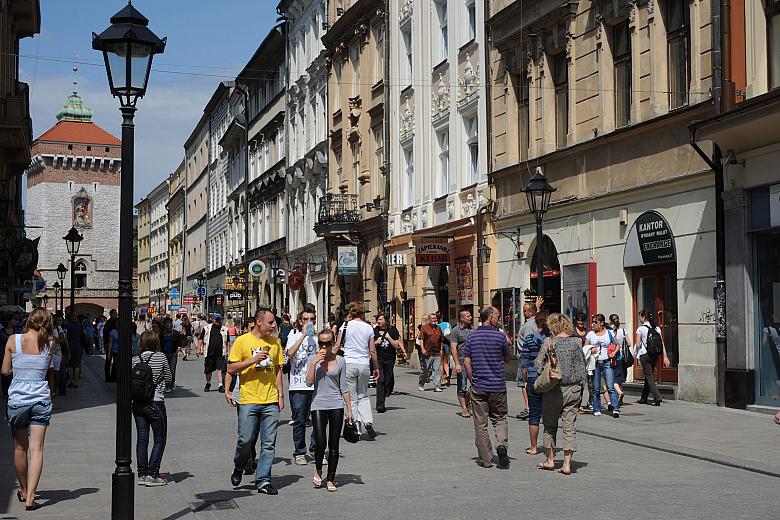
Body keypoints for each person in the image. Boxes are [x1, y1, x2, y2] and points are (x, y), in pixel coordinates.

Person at [2, 308, 55, 510]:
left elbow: (5, 371)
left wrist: (19, 367)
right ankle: (31, 497)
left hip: (18, 400)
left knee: (19, 448)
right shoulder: (50, 343)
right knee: (37, 449)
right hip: (41, 399)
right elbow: (45, 370)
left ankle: (23, 490)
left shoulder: (12, 340)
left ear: (29, 320)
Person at [227, 308, 285, 495]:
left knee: (268, 444)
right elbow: (231, 368)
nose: (274, 325)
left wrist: (281, 396)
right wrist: (252, 360)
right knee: (246, 439)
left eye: (274, 322)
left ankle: (263, 481)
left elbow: (277, 371)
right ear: (259, 322)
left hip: (270, 399)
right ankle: (239, 465)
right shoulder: (242, 341)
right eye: (270, 322)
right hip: (249, 399)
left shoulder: (275, 342)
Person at [535, 313, 587, 475]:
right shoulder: (577, 342)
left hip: (554, 389)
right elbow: (582, 366)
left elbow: (538, 364)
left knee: (550, 425)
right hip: (573, 389)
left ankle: (550, 460)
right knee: (569, 426)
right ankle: (566, 464)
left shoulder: (549, 342)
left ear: (553, 326)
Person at [464, 306, 512, 469]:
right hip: (497, 385)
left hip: (479, 386)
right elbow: (508, 358)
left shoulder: (472, 337)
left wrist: (472, 379)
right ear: (490, 317)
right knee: (499, 418)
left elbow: (467, 362)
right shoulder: (500, 337)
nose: (498, 319)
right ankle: (502, 445)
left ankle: (486, 459)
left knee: (480, 422)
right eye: (497, 316)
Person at [306, 329, 353, 492]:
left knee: (334, 444)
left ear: (333, 344)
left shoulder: (341, 361)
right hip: (318, 404)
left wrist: (350, 410)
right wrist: (314, 363)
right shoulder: (313, 359)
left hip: (336, 404)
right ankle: (318, 470)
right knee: (320, 442)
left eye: (328, 343)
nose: (324, 346)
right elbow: (309, 382)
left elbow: (344, 387)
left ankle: (331, 479)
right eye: (321, 343)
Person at [132, 330, 172, 486]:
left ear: (141, 343)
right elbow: (169, 378)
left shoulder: (135, 359)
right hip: (155, 401)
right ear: (156, 343)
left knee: (142, 439)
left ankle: (142, 473)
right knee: (159, 439)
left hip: (138, 403)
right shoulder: (160, 356)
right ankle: (152, 474)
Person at [284, 304, 318, 464]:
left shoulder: (319, 337)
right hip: (298, 384)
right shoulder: (293, 334)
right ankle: (299, 451)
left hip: (317, 384)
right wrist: (303, 335)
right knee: (300, 419)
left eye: (311, 319)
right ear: (300, 321)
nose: (309, 322)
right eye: (305, 319)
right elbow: (289, 353)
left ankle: (315, 448)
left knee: (319, 418)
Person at [341, 301, 380, 439]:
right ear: (363, 313)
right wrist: (375, 367)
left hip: (349, 363)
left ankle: (355, 426)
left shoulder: (345, 326)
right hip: (364, 364)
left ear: (351, 313)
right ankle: (367, 421)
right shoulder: (368, 328)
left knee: (350, 396)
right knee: (363, 395)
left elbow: (337, 344)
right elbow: (372, 350)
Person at [523, 311, 549, 455]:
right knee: (548, 414)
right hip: (548, 379)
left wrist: (525, 380)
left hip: (533, 376)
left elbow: (524, 361)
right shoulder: (551, 339)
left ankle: (533, 447)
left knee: (534, 413)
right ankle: (548, 447)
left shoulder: (529, 338)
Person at [585, 314, 620, 417]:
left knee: (610, 386)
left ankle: (615, 408)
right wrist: (591, 349)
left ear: (601, 323)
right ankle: (596, 408)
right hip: (595, 363)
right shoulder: (590, 334)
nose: (593, 324)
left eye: (595, 322)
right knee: (596, 388)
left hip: (607, 362)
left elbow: (617, 345)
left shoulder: (609, 333)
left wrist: (614, 352)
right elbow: (585, 347)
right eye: (593, 322)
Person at [634, 309, 670, 406]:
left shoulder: (640, 329)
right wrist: (665, 357)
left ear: (643, 317)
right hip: (654, 355)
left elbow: (637, 345)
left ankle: (657, 397)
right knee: (648, 375)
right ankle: (643, 398)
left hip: (644, 355)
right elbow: (661, 343)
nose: (639, 318)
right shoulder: (657, 328)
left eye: (640, 316)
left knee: (649, 376)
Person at [374, 314, 405, 413]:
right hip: (378, 359)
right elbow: (369, 343)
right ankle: (380, 404)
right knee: (380, 380)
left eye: (380, 319)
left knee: (387, 381)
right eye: (378, 319)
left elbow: (396, 345)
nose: (378, 321)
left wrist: (388, 337)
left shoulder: (392, 330)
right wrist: (376, 342)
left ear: (386, 321)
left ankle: (384, 395)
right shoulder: (374, 330)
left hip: (390, 359)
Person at [515, 301, 539, 420]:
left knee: (524, 382)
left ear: (531, 312)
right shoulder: (534, 323)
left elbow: (529, 342)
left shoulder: (529, 325)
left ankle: (529, 408)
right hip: (530, 358)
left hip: (526, 357)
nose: (524, 313)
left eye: (525, 311)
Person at [450, 309, 474, 417]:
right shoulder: (456, 330)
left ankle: (468, 403)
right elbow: (453, 348)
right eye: (468, 316)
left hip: (474, 361)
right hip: (462, 361)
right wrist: (457, 364)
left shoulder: (473, 329)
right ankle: (464, 408)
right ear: (462, 318)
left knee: (475, 385)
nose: (471, 317)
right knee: (462, 386)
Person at [198, 313, 229, 393]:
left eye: (219, 319)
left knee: (220, 369)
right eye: (216, 319)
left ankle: (220, 385)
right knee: (209, 370)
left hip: (221, 352)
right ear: (212, 320)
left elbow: (227, 341)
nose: (218, 321)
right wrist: (199, 349)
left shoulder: (225, 329)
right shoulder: (207, 328)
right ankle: (208, 383)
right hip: (209, 352)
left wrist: (229, 351)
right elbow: (201, 339)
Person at [418, 313, 444, 392]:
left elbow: (441, 340)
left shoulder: (438, 328)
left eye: (435, 318)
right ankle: (421, 384)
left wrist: (441, 349)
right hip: (427, 352)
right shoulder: (424, 328)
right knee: (425, 371)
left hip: (437, 352)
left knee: (437, 370)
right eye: (432, 318)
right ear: (429, 320)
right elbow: (421, 339)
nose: (434, 320)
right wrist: (422, 349)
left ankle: (437, 386)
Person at [609, 314, 630, 408]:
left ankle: (619, 393)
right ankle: (619, 397)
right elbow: (629, 344)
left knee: (612, 379)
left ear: (610, 321)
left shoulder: (610, 331)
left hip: (612, 357)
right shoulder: (623, 331)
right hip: (621, 357)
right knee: (620, 378)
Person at [160, 317, 184, 392]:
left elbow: (179, 343)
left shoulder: (175, 333)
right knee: (165, 371)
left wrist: (177, 351)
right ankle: (167, 385)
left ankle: (172, 383)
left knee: (172, 370)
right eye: (166, 323)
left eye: (169, 322)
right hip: (164, 354)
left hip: (173, 354)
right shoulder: (161, 334)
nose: (167, 324)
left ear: (171, 324)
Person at [63, 312, 84, 388]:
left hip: (70, 346)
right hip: (78, 346)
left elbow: (65, 338)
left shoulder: (66, 326)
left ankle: (71, 381)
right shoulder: (80, 326)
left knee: (70, 365)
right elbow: (83, 335)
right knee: (77, 365)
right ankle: (76, 382)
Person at [437, 311, 452, 385]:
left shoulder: (436, 326)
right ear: (442, 316)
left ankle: (442, 379)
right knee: (446, 362)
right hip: (447, 344)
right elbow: (451, 333)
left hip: (439, 344)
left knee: (441, 363)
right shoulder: (447, 324)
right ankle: (448, 376)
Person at [104, 309, 118, 381]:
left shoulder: (110, 322)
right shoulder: (109, 322)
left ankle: (112, 376)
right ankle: (108, 377)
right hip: (109, 343)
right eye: (115, 313)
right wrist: (106, 343)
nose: (116, 314)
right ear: (112, 314)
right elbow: (106, 333)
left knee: (114, 362)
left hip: (113, 344)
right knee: (109, 360)